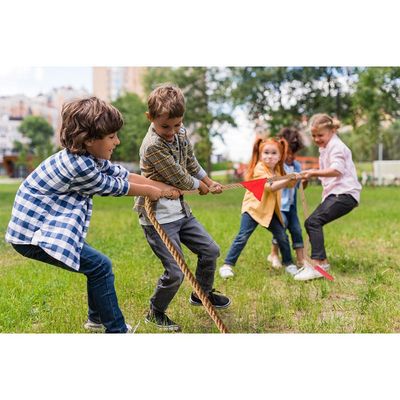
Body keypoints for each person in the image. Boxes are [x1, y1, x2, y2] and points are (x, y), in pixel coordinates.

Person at [5, 97, 180, 333]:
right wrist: (151, 191)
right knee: (100, 266)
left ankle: (96, 320)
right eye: (111, 137)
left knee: (95, 267)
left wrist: (163, 187)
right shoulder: (78, 166)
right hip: (32, 235)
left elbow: (123, 175)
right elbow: (115, 186)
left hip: (45, 228)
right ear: (88, 139)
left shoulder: (87, 157)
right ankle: (116, 330)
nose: (117, 141)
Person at [134, 84, 231, 332]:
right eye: (165, 126)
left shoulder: (180, 133)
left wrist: (209, 181)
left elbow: (189, 161)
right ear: (150, 118)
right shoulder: (153, 145)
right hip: (157, 217)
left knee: (210, 250)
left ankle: (202, 294)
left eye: (177, 125)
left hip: (180, 212)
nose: (171, 131)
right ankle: (155, 312)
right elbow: (179, 177)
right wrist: (200, 186)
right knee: (176, 272)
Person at [219, 136, 301, 280]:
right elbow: (271, 187)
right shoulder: (259, 168)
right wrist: (287, 179)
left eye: (274, 153)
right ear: (261, 154)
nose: (270, 156)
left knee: (282, 235)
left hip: (269, 211)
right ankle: (227, 265)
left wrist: (294, 178)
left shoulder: (279, 170)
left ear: (280, 155)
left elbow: (289, 184)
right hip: (253, 209)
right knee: (242, 236)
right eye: (266, 153)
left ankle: (289, 264)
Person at [294, 114, 362, 281]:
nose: (317, 139)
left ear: (332, 131)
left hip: (345, 194)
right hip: (338, 194)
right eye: (314, 136)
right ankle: (322, 262)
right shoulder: (326, 147)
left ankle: (317, 264)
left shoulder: (337, 147)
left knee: (313, 222)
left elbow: (336, 170)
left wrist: (312, 172)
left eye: (320, 135)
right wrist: (308, 176)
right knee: (313, 221)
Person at [267, 127, 306, 269]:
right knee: (280, 231)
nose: (291, 156)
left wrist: (303, 181)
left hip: (291, 205)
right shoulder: (277, 166)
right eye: (288, 153)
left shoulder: (296, 165)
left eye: (293, 153)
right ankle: (274, 255)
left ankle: (301, 259)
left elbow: (298, 187)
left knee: (296, 230)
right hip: (279, 205)